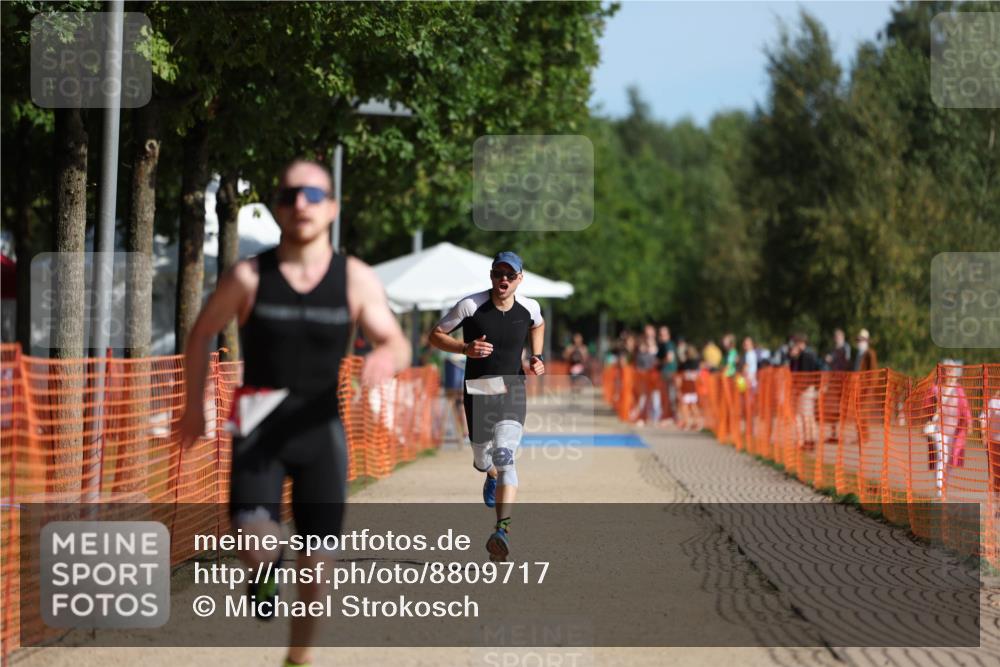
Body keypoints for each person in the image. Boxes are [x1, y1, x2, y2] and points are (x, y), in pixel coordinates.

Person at [179, 159, 411, 667]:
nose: (300, 205)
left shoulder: (354, 278)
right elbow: (201, 334)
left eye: (312, 195)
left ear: (331, 208)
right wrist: (194, 406)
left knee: (317, 564)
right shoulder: (248, 276)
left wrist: (384, 356)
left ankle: (297, 659)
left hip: (320, 428)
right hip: (258, 422)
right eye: (289, 196)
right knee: (251, 541)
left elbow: (395, 340)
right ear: (278, 208)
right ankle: (266, 568)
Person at [428, 251, 545, 561]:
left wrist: (537, 356)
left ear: (520, 278)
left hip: (513, 390)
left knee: (506, 455)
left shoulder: (529, 307)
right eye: (498, 274)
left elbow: (538, 324)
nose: (502, 280)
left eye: (509, 275)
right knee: (483, 457)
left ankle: (501, 531)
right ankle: (488, 473)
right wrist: (465, 347)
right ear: (491, 276)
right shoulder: (471, 306)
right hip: (479, 391)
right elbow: (435, 335)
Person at [788, 333, 821, 450]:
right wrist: (793, 358)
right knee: (807, 416)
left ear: (801, 343)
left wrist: (799, 389)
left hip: (805, 389)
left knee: (804, 416)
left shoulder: (806, 356)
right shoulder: (801, 356)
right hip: (805, 389)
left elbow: (805, 376)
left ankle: (807, 441)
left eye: (796, 343)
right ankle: (809, 440)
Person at [657, 326, 678, 423]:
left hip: (669, 372)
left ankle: (671, 416)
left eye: (663, 335)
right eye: (660, 334)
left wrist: (659, 362)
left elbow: (670, 358)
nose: (661, 337)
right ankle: (669, 416)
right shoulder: (664, 345)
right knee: (668, 395)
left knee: (670, 395)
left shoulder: (668, 345)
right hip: (667, 372)